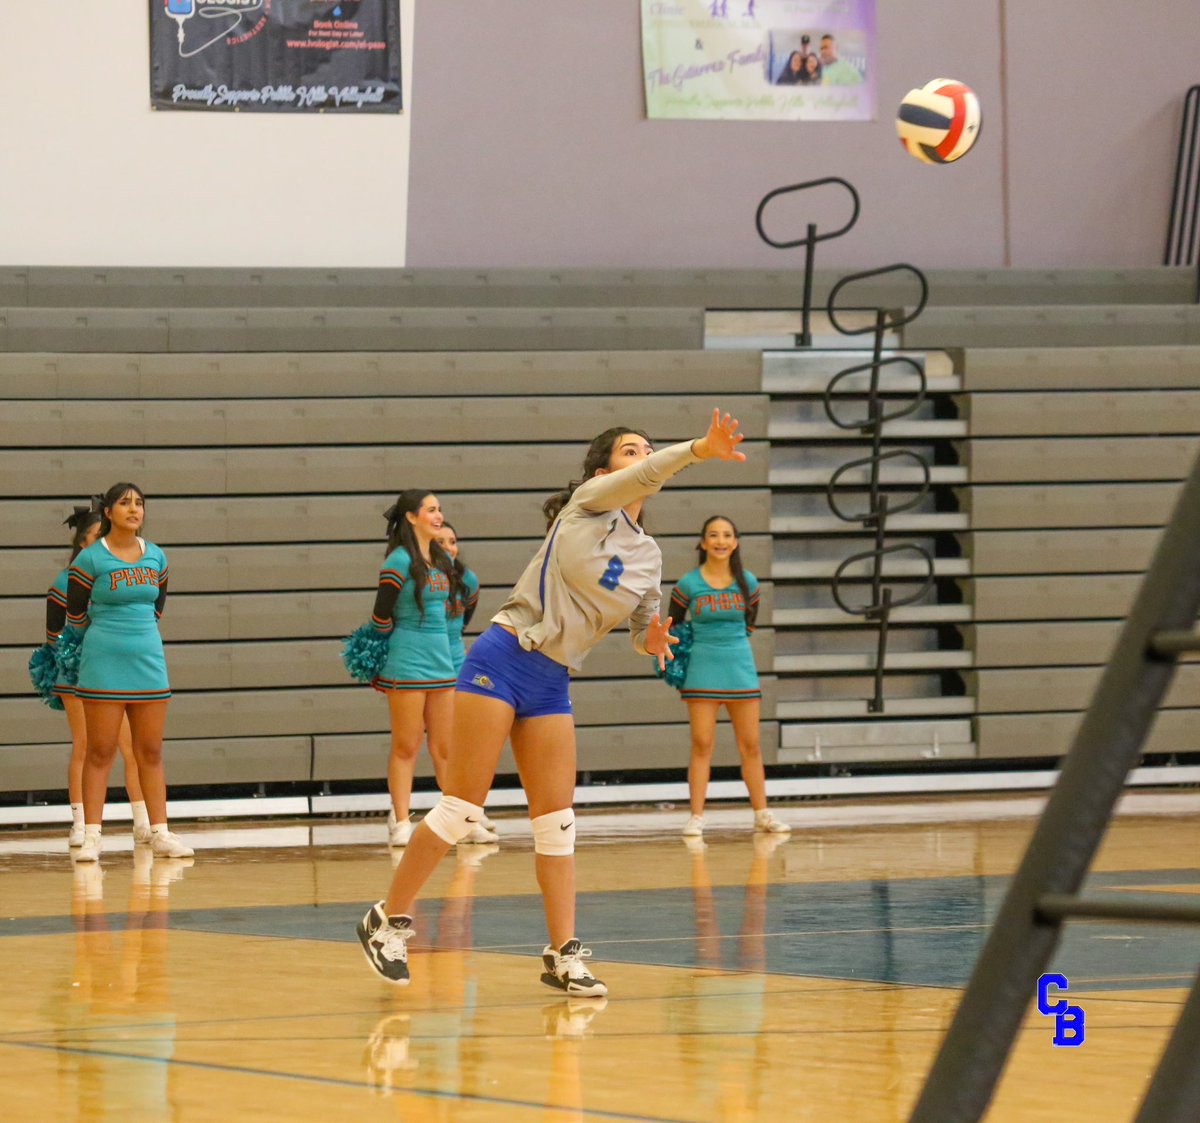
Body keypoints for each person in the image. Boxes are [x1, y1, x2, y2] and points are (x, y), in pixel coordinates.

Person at [356, 409, 747, 996]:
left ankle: (563, 954)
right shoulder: (587, 505)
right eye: (630, 450)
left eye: (648, 448)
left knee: (557, 823)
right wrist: (697, 447)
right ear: (602, 469)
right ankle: (387, 920)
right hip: (504, 655)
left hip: (553, 678)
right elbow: (647, 476)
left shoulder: (649, 556)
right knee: (463, 808)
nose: (642, 456)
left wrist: (654, 639)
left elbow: (642, 630)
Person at [62, 482, 192, 862]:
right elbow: (75, 616)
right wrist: (109, 637)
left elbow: (157, 607)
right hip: (103, 663)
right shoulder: (89, 560)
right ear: (108, 512)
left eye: (139, 504)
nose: (134, 509)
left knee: (150, 751)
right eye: (124, 503)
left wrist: (136, 636)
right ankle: (91, 836)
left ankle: (161, 833)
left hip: (149, 662)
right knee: (100, 752)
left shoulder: (156, 557)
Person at [666, 516, 790, 839]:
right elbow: (674, 627)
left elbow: (749, 625)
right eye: (713, 535)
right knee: (701, 744)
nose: (720, 541)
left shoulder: (748, 582)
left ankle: (762, 814)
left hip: (740, 669)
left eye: (727, 535)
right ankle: (696, 817)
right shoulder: (688, 584)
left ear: (735, 542)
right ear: (703, 543)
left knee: (751, 746)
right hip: (702, 670)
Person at [37, 500, 150, 849]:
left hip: (113, 669)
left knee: (132, 746)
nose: (104, 539)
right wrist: (75, 661)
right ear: (83, 543)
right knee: (86, 747)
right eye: (96, 535)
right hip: (77, 672)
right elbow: (54, 636)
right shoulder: (65, 581)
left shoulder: (115, 574)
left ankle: (145, 823)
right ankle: (81, 823)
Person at [362, 491, 463, 847]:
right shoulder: (398, 562)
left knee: (445, 747)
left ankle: (457, 818)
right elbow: (379, 616)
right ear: (411, 517)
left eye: (440, 510)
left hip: (442, 663)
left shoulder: (441, 560)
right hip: (406, 660)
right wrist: (383, 652)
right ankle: (401, 821)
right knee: (407, 745)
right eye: (431, 510)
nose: (439, 516)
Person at [437, 522, 499, 845]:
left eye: (453, 541)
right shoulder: (421, 579)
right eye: (442, 541)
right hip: (426, 666)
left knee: (465, 741)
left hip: (457, 661)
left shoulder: (468, 580)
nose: (449, 547)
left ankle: (470, 809)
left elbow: (466, 616)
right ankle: (407, 814)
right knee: (437, 744)